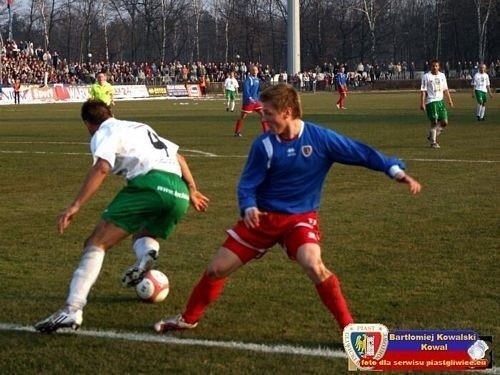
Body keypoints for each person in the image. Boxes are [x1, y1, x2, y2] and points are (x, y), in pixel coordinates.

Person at [154, 84, 422, 334]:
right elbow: (247, 184)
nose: (265, 119)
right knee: (215, 270)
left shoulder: (320, 139)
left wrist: (394, 170)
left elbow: (361, 153)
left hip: (300, 219)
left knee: (313, 264)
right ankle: (188, 319)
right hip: (263, 219)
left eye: (269, 114)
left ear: (287, 112)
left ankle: (349, 330)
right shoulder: (264, 145)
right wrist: (248, 206)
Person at [35, 100, 209, 333]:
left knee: (95, 243)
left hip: (150, 185)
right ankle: (148, 253)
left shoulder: (103, 132)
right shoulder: (139, 127)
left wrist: (76, 205)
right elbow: (180, 158)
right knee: (143, 232)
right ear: (111, 113)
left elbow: (103, 167)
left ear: (88, 124)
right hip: (178, 192)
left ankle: (72, 311)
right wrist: (193, 189)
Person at [420, 59, 454, 149]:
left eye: (436, 66)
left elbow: (445, 89)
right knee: (434, 121)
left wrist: (450, 100)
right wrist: (422, 103)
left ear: (439, 67)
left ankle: (432, 134)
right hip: (431, 101)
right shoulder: (426, 76)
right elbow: (423, 91)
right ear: (430, 67)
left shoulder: (442, 76)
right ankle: (433, 142)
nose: (435, 67)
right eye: (433, 66)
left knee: (445, 122)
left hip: (440, 101)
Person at [233, 65, 268, 137]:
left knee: (263, 114)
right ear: (251, 71)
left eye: (256, 70)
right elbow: (246, 89)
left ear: (258, 71)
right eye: (253, 70)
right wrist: (249, 98)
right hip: (249, 102)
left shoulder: (257, 80)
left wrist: (259, 98)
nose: (255, 71)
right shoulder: (248, 79)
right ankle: (237, 132)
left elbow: (258, 91)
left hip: (256, 101)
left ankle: (266, 132)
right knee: (243, 116)